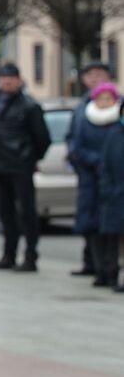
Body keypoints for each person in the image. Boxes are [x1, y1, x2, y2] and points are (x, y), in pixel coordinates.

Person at [0, 63, 51, 272]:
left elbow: (42, 138)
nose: (6, 81)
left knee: (27, 212)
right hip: (1, 166)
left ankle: (31, 256)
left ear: (19, 80)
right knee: (5, 213)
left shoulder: (30, 106)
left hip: (21, 167)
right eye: (3, 78)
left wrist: (29, 158)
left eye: (11, 78)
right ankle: (9, 254)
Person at [73, 83, 122, 286]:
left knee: (113, 228)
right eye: (100, 98)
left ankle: (112, 270)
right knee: (92, 225)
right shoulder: (86, 120)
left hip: (115, 182)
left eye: (108, 98)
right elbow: (78, 148)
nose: (104, 102)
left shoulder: (117, 125)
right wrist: (95, 161)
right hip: (90, 180)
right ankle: (98, 267)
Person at [67, 61, 113, 276]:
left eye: (99, 74)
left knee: (109, 220)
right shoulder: (82, 107)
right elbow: (73, 139)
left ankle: (109, 266)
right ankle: (91, 263)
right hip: (87, 173)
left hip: (112, 174)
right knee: (88, 218)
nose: (94, 79)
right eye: (90, 75)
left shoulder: (117, 104)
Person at [99, 100, 124, 293]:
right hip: (116, 195)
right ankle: (112, 273)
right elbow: (105, 166)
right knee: (115, 238)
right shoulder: (113, 135)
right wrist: (108, 190)